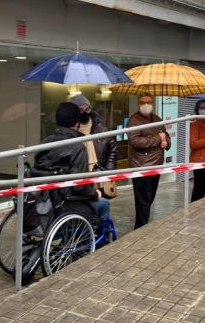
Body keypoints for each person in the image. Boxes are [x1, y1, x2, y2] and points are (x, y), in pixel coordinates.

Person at [35, 103, 109, 221]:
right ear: (76, 123)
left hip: (45, 201)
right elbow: (79, 186)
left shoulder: (45, 143)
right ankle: (91, 239)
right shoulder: (77, 147)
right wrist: (94, 193)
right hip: (68, 202)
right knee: (104, 204)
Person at [127, 93, 171, 229]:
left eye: (149, 102)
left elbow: (166, 136)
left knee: (149, 198)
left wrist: (166, 143)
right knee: (143, 201)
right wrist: (158, 140)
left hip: (156, 165)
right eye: (143, 102)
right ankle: (140, 228)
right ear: (138, 104)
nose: (146, 104)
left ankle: (143, 225)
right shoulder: (133, 121)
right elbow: (135, 141)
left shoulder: (157, 119)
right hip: (142, 166)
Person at [70, 95, 118, 171]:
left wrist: (108, 169)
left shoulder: (101, 129)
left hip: (100, 174)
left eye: (87, 109)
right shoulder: (70, 131)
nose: (85, 112)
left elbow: (112, 150)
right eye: (81, 110)